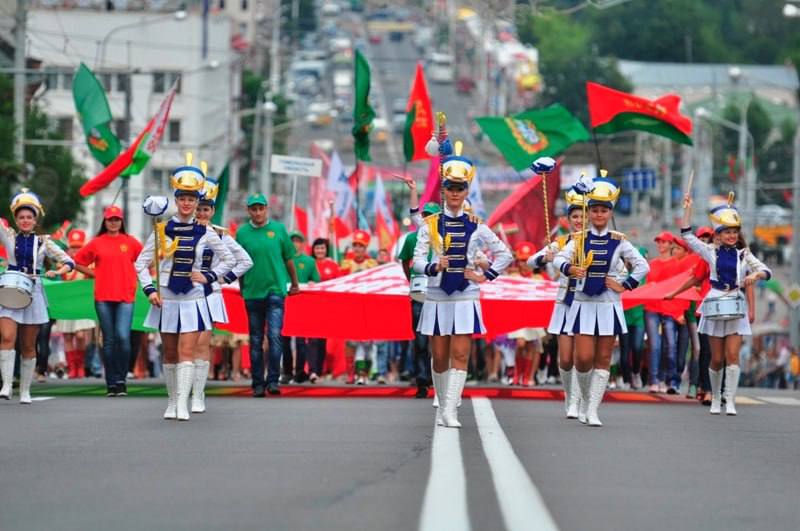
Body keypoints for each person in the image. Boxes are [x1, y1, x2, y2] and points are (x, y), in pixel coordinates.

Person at [413, 138, 512, 428]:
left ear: (466, 190)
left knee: (460, 352)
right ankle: (443, 403)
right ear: (443, 191)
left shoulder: (476, 224)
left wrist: (485, 275)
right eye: (450, 188)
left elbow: (504, 254)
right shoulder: (429, 225)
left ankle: (451, 410)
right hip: (436, 294)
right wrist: (433, 265)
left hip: (466, 293)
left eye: (460, 189)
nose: (455, 193)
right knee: (439, 355)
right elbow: (417, 260)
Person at [135, 157, 235, 420]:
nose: (188, 203)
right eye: (183, 198)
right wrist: (150, 290)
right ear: (177, 199)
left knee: (187, 351)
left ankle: (183, 403)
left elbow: (230, 259)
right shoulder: (162, 230)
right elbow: (140, 264)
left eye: (192, 198)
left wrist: (210, 276)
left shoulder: (206, 232)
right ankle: (171, 401)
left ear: (197, 200)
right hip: (166, 299)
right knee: (169, 353)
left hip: (193, 298)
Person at [553, 173, 649, 426]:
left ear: (609, 213)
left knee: (603, 358)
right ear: (588, 211)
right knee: (583, 358)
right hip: (583, 303)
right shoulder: (577, 239)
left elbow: (641, 266)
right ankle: (583, 398)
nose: (598, 215)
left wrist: (624, 284)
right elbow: (558, 259)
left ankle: (593, 409)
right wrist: (570, 269)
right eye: (594, 210)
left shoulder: (619, 241)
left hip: (608, 304)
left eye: (603, 211)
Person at [679, 194, 771, 415]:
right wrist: (688, 209)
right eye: (727, 232)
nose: (732, 235)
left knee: (733, 356)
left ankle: (729, 400)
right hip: (715, 303)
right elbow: (687, 237)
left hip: (736, 305)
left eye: (734, 231)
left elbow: (766, 270)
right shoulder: (710, 251)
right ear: (718, 235)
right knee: (716, 358)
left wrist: (755, 276)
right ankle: (716, 396)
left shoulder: (744, 254)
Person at [0, 189, 75, 403]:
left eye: (29, 217)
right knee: (6, 337)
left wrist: (57, 271)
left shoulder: (44, 242)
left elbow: (69, 261)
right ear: (16, 219)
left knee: (28, 345)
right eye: (21, 217)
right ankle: (6, 384)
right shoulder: (8, 235)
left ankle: (25, 390)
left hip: (33, 292)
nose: (25, 220)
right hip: (9, 290)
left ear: (35, 220)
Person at [192, 179, 253, 412]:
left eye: (205, 209)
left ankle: (198, 393)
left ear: (213, 211)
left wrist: (221, 278)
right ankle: (183, 390)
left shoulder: (221, 235)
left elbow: (245, 261)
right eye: (198, 208)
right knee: (183, 344)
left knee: (202, 343)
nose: (201, 213)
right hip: (184, 293)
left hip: (209, 293)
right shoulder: (181, 231)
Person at [529, 180, 587, 418]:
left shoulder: (600, 241)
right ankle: (568, 395)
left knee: (582, 358)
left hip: (588, 303)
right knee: (564, 359)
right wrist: (546, 257)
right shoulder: (561, 242)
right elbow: (531, 261)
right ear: (569, 219)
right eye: (575, 216)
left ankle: (581, 400)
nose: (579, 220)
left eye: (583, 216)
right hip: (565, 302)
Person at [73, 206, 143, 396]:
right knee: (109, 340)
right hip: (103, 297)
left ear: (122, 221)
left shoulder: (130, 242)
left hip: (126, 296)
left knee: (123, 337)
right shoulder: (96, 243)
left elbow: (145, 260)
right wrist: (93, 273)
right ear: (104, 221)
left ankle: (122, 379)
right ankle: (111, 382)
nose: (113, 222)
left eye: (117, 219)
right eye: (110, 219)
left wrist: (134, 274)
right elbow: (77, 261)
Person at [236, 192, 299, 397]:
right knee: (255, 340)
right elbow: (239, 264)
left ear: (266, 209)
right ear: (249, 211)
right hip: (252, 293)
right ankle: (257, 383)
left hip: (275, 291)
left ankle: (273, 380)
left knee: (274, 336)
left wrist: (295, 284)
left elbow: (289, 258)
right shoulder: (242, 233)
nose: (257, 212)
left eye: (261, 208)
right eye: (253, 209)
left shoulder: (279, 230)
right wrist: (242, 287)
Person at [398, 199, 441, 398]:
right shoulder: (411, 238)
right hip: (419, 294)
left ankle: (441, 378)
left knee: (441, 338)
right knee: (421, 340)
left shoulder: (444, 238)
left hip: (441, 293)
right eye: (425, 215)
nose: (428, 219)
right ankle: (423, 381)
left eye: (432, 215)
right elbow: (406, 262)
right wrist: (412, 281)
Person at [280, 231, 319, 384]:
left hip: (302, 305)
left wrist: (312, 283)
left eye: (298, 241)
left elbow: (316, 280)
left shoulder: (309, 261)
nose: (295, 244)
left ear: (302, 243)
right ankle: (287, 372)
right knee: (284, 339)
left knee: (301, 340)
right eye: (293, 241)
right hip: (285, 302)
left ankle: (300, 371)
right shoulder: (281, 259)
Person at [644, 231, 680, 393]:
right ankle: (654, 380)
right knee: (654, 345)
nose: (661, 245)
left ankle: (670, 380)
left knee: (670, 346)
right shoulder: (651, 264)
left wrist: (679, 311)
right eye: (659, 242)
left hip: (670, 309)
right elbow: (649, 286)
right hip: (652, 308)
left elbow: (680, 288)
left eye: (664, 242)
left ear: (671, 244)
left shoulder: (678, 264)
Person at [341, 229, 379, 384]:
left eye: (361, 246)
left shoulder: (372, 264)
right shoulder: (345, 264)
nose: (357, 249)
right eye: (355, 245)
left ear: (366, 248)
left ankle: (364, 373)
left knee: (367, 343)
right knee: (350, 342)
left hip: (367, 307)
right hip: (351, 308)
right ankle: (351, 373)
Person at [508, 241, 546, 386]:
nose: (524, 264)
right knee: (521, 344)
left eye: (526, 260)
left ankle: (526, 377)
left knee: (531, 346)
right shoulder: (513, 278)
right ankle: (518, 373)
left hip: (533, 316)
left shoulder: (539, 279)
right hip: (517, 317)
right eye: (521, 260)